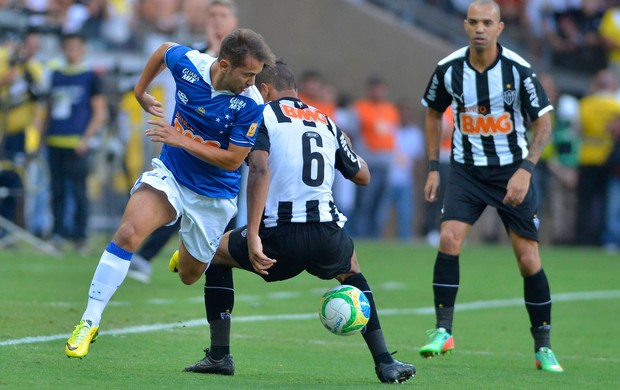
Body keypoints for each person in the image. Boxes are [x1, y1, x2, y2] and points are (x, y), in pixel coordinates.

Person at [172, 60, 415, 384]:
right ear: (296, 90)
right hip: (327, 235)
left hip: (279, 237)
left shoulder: (261, 115)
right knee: (352, 269)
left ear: (266, 89)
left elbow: (258, 169)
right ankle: (385, 362)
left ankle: (219, 355)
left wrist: (254, 234)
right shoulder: (327, 122)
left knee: (215, 251)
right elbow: (363, 175)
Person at [64, 28, 276, 358]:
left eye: (255, 75)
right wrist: (139, 91)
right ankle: (89, 321)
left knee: (190, 277)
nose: (252, 82)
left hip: (215, 195)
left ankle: (189, 252)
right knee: (128, 233)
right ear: (223, 65)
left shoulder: (250, 103)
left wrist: (181, 139)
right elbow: (163, 50)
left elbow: (234, 160)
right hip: (172, 176)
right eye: (247, 74)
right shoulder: (190, 64)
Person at [418, 0, 563, 373]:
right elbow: (434, 112)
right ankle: (443, 331)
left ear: (500, 28)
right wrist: (434, 166)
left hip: (511, 172)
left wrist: (527, 168)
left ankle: (543, 346)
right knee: (449, 240)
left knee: (528, 260)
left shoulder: (518, 70)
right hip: (466, 171)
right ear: (465, 25)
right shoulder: (449, 69)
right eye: (474, 22)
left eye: (488, 23)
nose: (480, 28)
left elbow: (544, 123)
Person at [128, 0, 240, 283]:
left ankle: (203, 253)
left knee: (231, 212)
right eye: (212, 15)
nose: (216, 21)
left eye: (222, 15)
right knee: (176, 197)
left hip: (238, 145)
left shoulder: (246, 62)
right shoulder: (196, 55)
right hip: (190, 142)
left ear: (233, 21)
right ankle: (147, 255)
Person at [42, 33, 107, 252]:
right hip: (55, 140)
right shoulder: (56, 75)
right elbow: (48, 109)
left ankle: (80, 236)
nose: (71, 51)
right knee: (57, 190)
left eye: (75, 47)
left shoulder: (90, 76)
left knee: (79, 190)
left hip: (77, 142)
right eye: (67, 47)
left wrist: (86, 139)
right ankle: (58, 234)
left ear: (83, 49)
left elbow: (99, 112)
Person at [351, 74, 399, 238]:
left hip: (386, 163)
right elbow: (353, 133)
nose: (377, 92)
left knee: (381, 205)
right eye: (374, 88)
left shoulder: (390, 109)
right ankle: (361, 235)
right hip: (368, 162)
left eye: (380, 89)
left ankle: (375, 236)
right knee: (365, 202)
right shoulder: (360, 107)